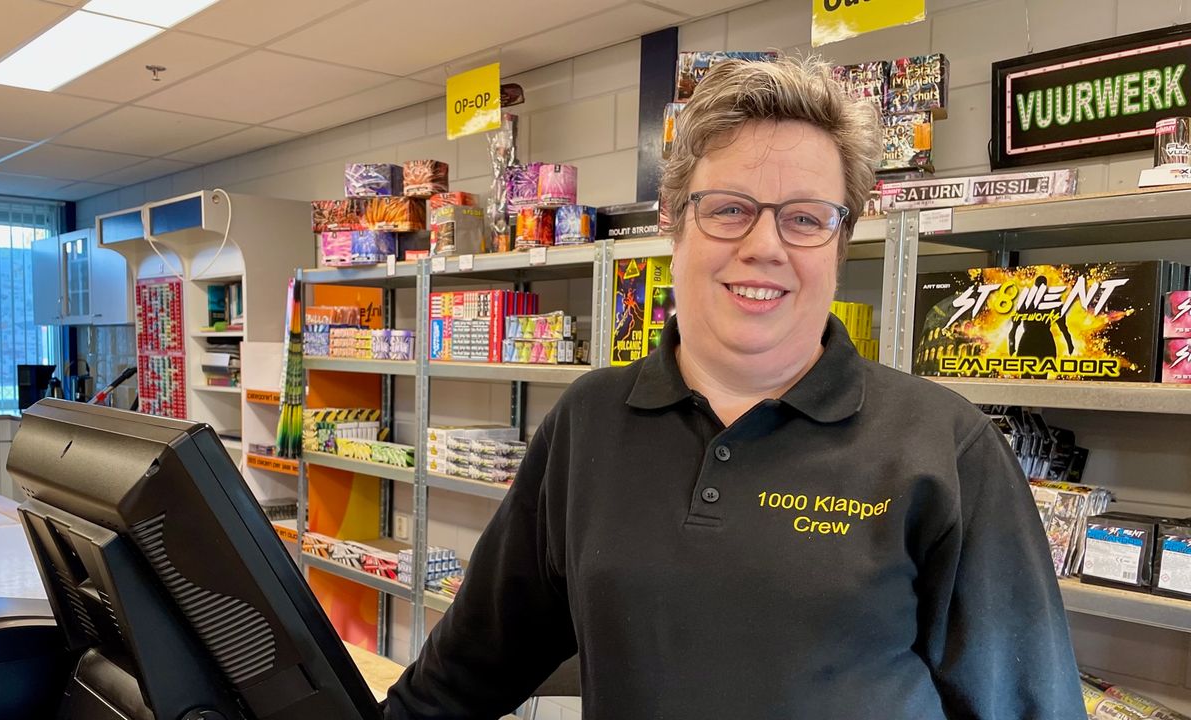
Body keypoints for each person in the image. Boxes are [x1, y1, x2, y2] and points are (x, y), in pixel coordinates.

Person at [383, 56, 1085, 719]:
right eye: (728, 209)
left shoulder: (947, 448)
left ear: (840, 245)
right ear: (674, 222)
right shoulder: (588, 422)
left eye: (805, 218)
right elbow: (466, 669)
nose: (765, 247)